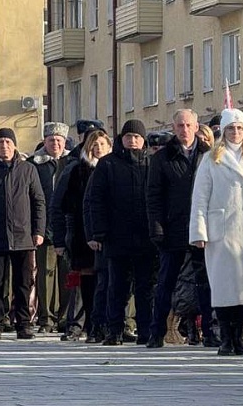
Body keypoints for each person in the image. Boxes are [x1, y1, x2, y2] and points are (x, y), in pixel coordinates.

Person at [190, 108, 243, 356]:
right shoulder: (211, 159)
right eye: (231, 128)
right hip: (222, 231)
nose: (236, 133)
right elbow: (200, 198)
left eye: (240, 128)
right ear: (224, 131)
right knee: (224, 287)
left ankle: (241, 336)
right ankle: (226, 337)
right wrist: (198, 231)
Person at [146, 109, 213, 348]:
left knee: (204, 281)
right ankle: (157, 333)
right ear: (174, 128)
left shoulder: (209, 155)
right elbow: (153, 197)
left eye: (188, 125)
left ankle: (209, 331)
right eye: (180, 126)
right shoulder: (162, 158)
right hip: (172, 227)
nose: (184, 130)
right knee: (166, 282)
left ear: (196, 127)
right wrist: (157, 229)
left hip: (201, 228)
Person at [0, 128, 46, 340]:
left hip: (23, 235)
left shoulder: (28, 169)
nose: (5, 146)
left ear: (14, 145)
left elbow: (38, 201)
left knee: (23, 282)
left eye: (8, 142)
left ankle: (23, 322)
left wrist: (38, 230)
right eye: (1, 142)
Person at [86, 119, 155, 345]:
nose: (132, 141)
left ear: (143, 140)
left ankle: (145, 330)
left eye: (137, 137)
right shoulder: (108, 164)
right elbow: (96, 200)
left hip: (146, 237)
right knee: (117, 287)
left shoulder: (151, 163)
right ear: (121, 139)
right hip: (117, 236)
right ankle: (114, 330)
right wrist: (99, 233)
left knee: (145, 287)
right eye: (128, 137)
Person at [56, 129, 112, 342]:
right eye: (94, 145)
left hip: (109, 234)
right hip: (82, 234)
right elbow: (63, 206)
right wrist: (62, 238)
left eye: (102, 145)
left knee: (106, 281)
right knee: (86, 282)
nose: (98, 149)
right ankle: (83, 324)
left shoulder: (113, 168)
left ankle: (103, 324)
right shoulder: (77, 171)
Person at [27, 122, 71, 334]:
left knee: (67, 274)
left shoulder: (72, 162)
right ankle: (47, 318)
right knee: (45, 275)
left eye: (59, 140)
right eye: (51, 139)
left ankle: (64, 316)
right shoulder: (34, 164)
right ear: (44, 141)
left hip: (69, 226)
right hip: (44, 227)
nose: (55, 143)